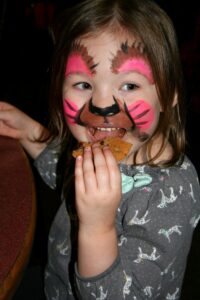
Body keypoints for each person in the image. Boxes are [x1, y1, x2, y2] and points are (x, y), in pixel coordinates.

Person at [0, 0, 200, 299]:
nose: (102, 105)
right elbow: (67, 177)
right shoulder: (99, 148)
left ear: (168, 94)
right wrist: (32, 132)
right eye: (83, 84)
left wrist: (98, 229)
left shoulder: (172, 194)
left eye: (130, 86)